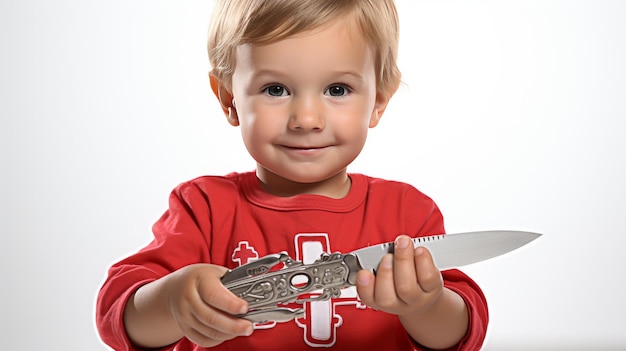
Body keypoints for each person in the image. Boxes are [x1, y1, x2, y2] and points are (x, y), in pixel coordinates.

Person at [96, 0, 489, 350]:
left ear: (378, 101)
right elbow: (120, 317)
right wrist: (170, 302)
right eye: (275, 89)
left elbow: (461, 333)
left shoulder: (407, 214)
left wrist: (427, 305)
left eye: (337, 89)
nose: (306, 120)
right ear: (228, 99)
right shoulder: (203, 208)